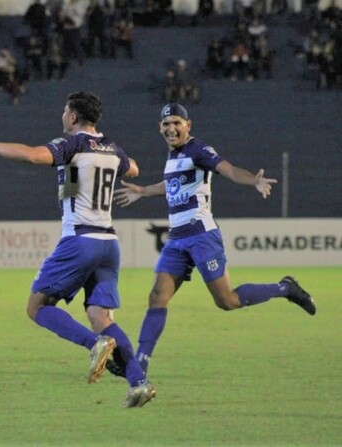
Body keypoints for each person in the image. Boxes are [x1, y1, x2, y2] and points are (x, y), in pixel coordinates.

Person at [0, 91, 155, 408]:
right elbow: (135, 169)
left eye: (65, 110)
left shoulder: (72, 144)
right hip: (109, 245)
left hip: (80, 241)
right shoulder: (113, 149)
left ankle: (94, 343)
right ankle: (139, 382)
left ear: (73, 117)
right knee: (101, 315)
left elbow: (32, 155)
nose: (62, 115)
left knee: (37, 307)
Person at [109, 103, 317, 404]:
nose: (171, 128)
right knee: (157, 296)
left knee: (227, 301)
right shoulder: (174, 156)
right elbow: (171, 185)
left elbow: (228, 169)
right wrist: (143, 191)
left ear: (188, 125)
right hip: (177, 239)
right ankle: (139, 365)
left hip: (202, 236)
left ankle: (286, 288)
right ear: (159, 128)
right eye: (166, 123)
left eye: (176, 122)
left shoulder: (198, 149)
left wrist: (253, 181)